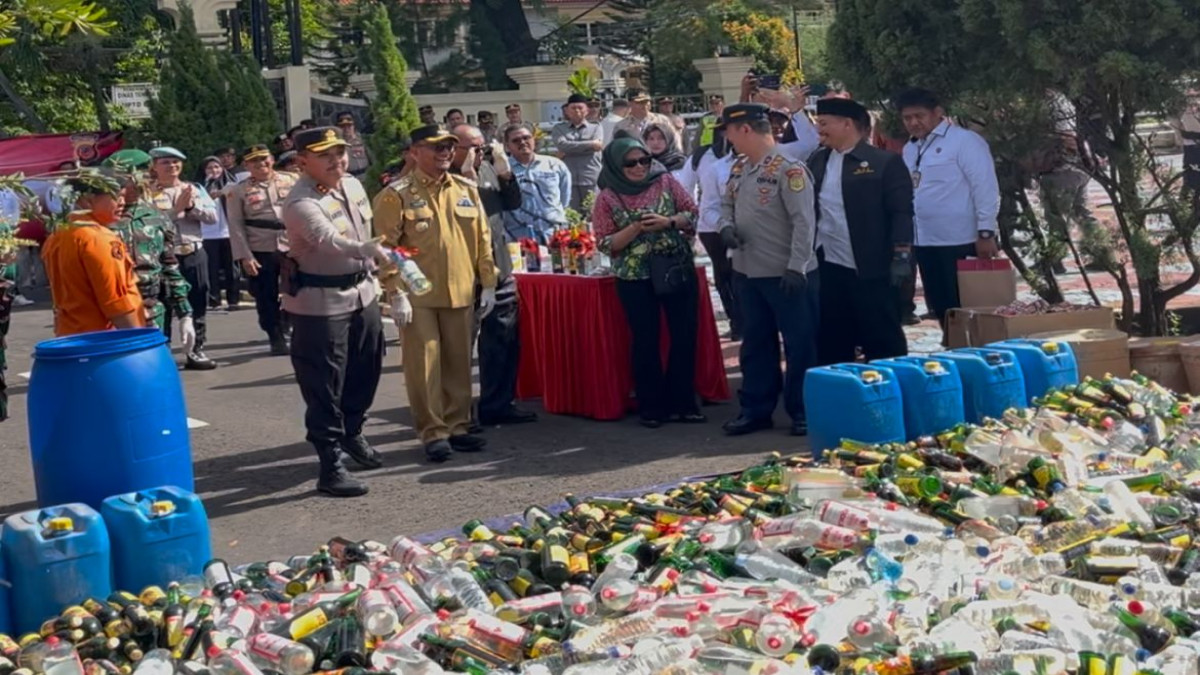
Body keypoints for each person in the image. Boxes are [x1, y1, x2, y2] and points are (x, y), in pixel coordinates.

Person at [373, 125, 498, 462]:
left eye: (448, 147)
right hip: (419, 294)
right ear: (414, 152)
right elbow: (389, 248)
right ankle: (433, 431)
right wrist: (395, 291)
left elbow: (482, 239)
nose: (444, 153)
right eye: (435, 147)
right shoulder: (396, 194)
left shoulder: (465, 189)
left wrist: (488, 282)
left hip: (460, 289)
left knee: (458, 361)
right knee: (424, 365)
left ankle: (458, 424)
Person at [283, 126, 389, 497]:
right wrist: (368, 250)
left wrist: (382, 279)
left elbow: (366, 229)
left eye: (339, 152)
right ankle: (330, 464)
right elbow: (330, 242)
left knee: (367, 368)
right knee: (324, 385)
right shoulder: (299, 202)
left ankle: (352, 432)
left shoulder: (354, 186)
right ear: (301, 162)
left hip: (363, 292)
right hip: (320, 304)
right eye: (325, 155)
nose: (336, 160)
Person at [717, 103, 818, 437]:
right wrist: (726, 227)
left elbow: (804, 222)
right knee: (756, 344)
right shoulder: (739, 168)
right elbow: (726, 204)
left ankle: (802, 409)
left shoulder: (789, 169)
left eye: (729, 132)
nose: (728, 139)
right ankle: (756, 409)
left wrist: (797, 267)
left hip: (786, 273)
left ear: (745, 130)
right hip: (748, 271)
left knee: (799, 344)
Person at [591, 137, 704, 428]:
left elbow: (692, 211)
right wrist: (636, 227)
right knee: (645, 341)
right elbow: (605, 243)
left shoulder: (665, 181)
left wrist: (668, 222)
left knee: (684, 336)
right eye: (631, 163)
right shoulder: (608, 196)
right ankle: (652, 406)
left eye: (644, 160)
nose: (640, 167)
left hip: (673, 268)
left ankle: (684, 403)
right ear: (617, 165)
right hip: (634, 277)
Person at [808, 98, 914, 364]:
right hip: (829, 266)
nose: (819, 129)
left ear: (847, 124)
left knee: (883, 340)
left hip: (872, 267)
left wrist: (901, 254)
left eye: (824, 123)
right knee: (832, 339)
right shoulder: (817, 160)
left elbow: (901, 212)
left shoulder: (884, 162)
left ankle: (893, 394)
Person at [897, 88, 1000, 340]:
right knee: (942, 308)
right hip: (925, 240)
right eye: (907, 118)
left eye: (919, 116)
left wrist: (986, 232)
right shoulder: (910, 149)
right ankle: (954, 348)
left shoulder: (964, 142)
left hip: (960, 240)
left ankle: (977, 352)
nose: (913, 123)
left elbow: (985, 187)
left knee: (969, 306)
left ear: (938, 113)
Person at [451, 125, 536, 427]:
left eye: (481, 146)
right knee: (459, 347)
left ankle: (498, 404)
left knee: (502, 340)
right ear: (453, 147)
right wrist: (464, 182)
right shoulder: (445, 175)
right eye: (470, 147)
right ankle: (457, 414)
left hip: (498, 265)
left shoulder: (488, 167)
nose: (478, 153)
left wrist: (504, 172)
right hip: (463, 271)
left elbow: (512, 203)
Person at [102, 149, 195, 343]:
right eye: (142, 175)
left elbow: (169, 266)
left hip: (151, 311)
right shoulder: (99, 218)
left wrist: (185, 314)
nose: (148, 179)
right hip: (108, 316)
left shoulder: (156, 216)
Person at [41, 173, 147, 337]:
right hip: (104, 340)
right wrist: (138, 343)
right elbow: (116, 302)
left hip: (70, 334)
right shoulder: (99, 238)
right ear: (86, 200)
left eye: (123, 197)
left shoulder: (58, 233)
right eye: (116, 197)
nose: (122, 203)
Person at [148, 147, 219, 370]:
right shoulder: (148, 193)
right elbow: (150, 224)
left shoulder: (194, 189)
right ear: (154, 166)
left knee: (198, 299)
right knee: (165, 304)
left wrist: (191, 207)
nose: (172, 166)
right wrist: (176, 211)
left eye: (176, 162)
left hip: (193, 251)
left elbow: (212, 217)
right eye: (166, 162)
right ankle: (165, 350)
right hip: (165, 255)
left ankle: (196, 349)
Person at [226, 144, 298, 355]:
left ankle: (291, 325)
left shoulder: (292, 180)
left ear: (272, 159)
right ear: (246, 165)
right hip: (260, 247)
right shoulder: (238, 191)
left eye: (264, 158)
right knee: (265, 295)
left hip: (291, 243)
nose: (261, 164)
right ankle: (275, 335)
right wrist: (244, 256)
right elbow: (235, 224)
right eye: (254, 161)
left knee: (297, 289)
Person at [693, 128, 741, 341]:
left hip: (768, 240)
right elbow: (708, 206)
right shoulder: (716, 167)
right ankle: (738, 322)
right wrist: (724, 226)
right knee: (728, 276)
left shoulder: (780, 163)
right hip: (721, 232)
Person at [501, 123, 572, 243]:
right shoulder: (502, 170)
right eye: (516, 140)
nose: (522, 142)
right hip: (518, 236)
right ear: (507, 146)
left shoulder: (554, 165)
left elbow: (564, 198)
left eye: (526, 138)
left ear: (534, 140)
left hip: (554, 234)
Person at [198, 156, 240, 310]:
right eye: (209, 168)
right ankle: (214, 299)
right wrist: (208, 192)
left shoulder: (232, 185)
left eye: (217, 167)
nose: (214, 171)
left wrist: (224, 194)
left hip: (229, 232)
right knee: (211, 268)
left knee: (232, 268)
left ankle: (233, 299)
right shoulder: (199, 187)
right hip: (208, 234)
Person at [551, 94, 604, 211]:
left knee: (592, 213)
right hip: (569, 179)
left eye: (580, 108)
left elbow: (598, 146)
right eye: (573, 108)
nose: (577, 111)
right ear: (567, 111)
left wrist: (569, 148)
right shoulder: (559, 129)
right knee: (572, 215)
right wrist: (590, 144)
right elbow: (562, 145)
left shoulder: (596, 127)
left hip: (590, 177)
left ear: (587, 110)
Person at [335, 111, 372, 178]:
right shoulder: (337, 144)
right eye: (343, 126)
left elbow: (372, 158)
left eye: (349, 126)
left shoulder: (363, 139)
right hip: (349, 178)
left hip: (368, 176)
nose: (346, 129)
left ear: (354, 125)